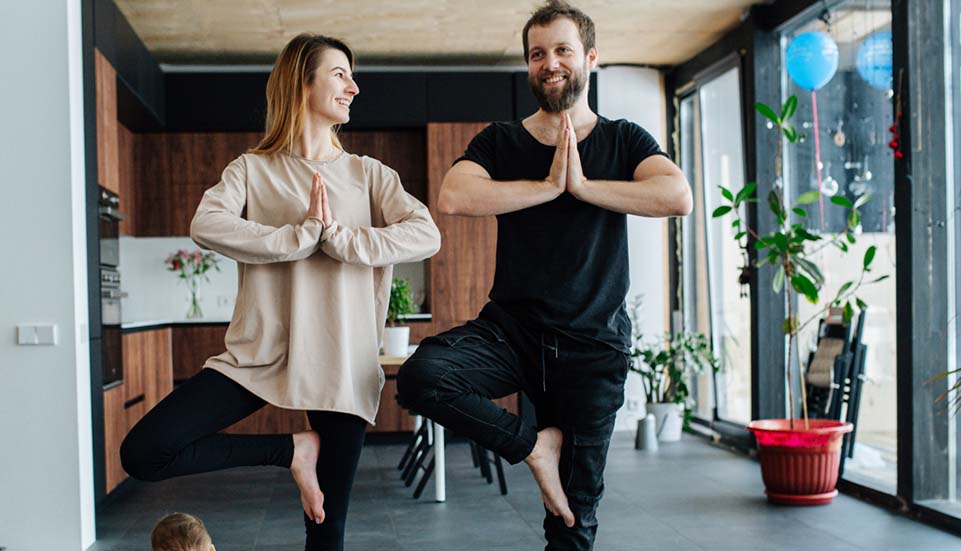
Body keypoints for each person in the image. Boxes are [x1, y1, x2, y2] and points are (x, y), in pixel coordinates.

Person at [120, 33, 440, 551]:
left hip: (340, 364)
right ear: (301, 82)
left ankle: (304, 460)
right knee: (145, 451)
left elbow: (426, 234)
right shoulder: (252, 169)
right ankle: (293, 450)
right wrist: (299, 236)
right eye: (340, 74)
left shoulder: (368, 174)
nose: (353, 87)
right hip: (260, 356)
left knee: (325, 532)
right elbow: (207, 223)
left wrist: (341, 239)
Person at [396, 1, 692, 549]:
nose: (549, 63)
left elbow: (677, 196)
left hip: (592, 348)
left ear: (590, 59)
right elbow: (454, 195)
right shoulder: (502, 141)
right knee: (422, 377)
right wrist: (548, 187)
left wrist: (583, 187)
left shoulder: (623, 139)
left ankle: (552, 468)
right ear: (528, 66)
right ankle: (534, 447)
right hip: (511, 333)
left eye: (562, 50)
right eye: (537, 54)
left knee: (573, 524)